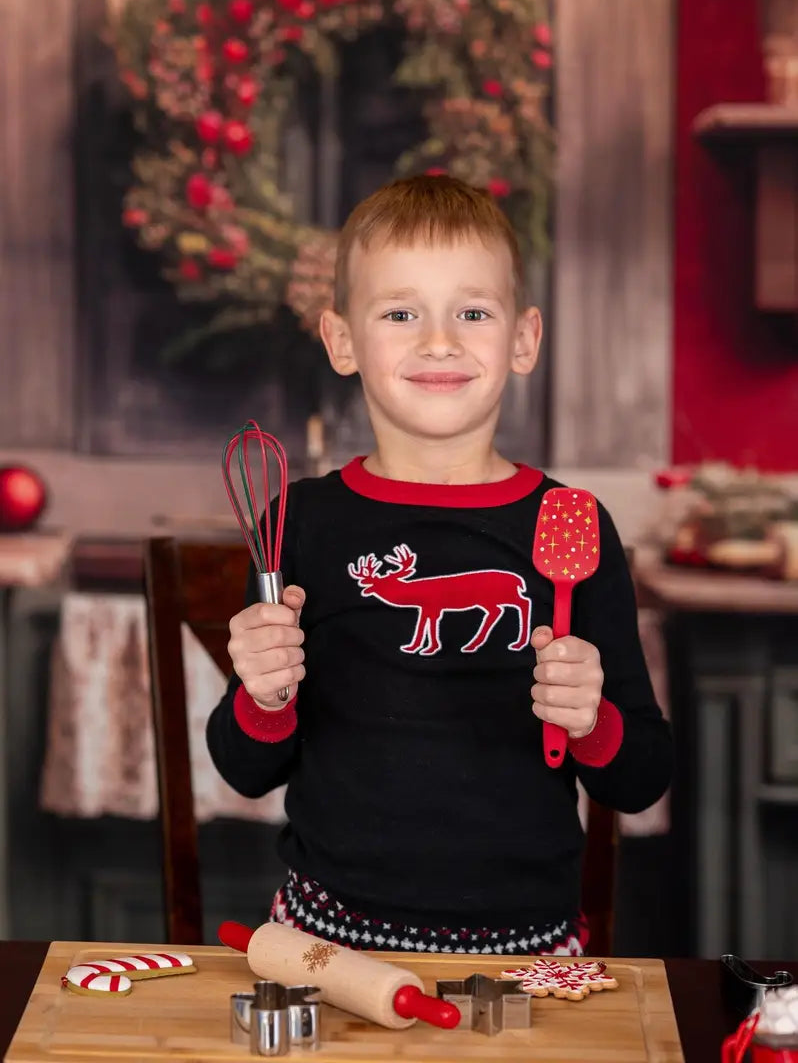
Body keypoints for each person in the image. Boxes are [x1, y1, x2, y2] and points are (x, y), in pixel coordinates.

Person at [207, 174, 672, 956]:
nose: (439, 341)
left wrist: (591, 721)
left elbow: (640, 778)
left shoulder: (571, 525)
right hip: (329, 943)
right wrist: (263, 691)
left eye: (472, 312)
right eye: (400, 313)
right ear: (342, 340)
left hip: (527, 950)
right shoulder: (300, 523)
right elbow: (246, 769)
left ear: (522, 340)